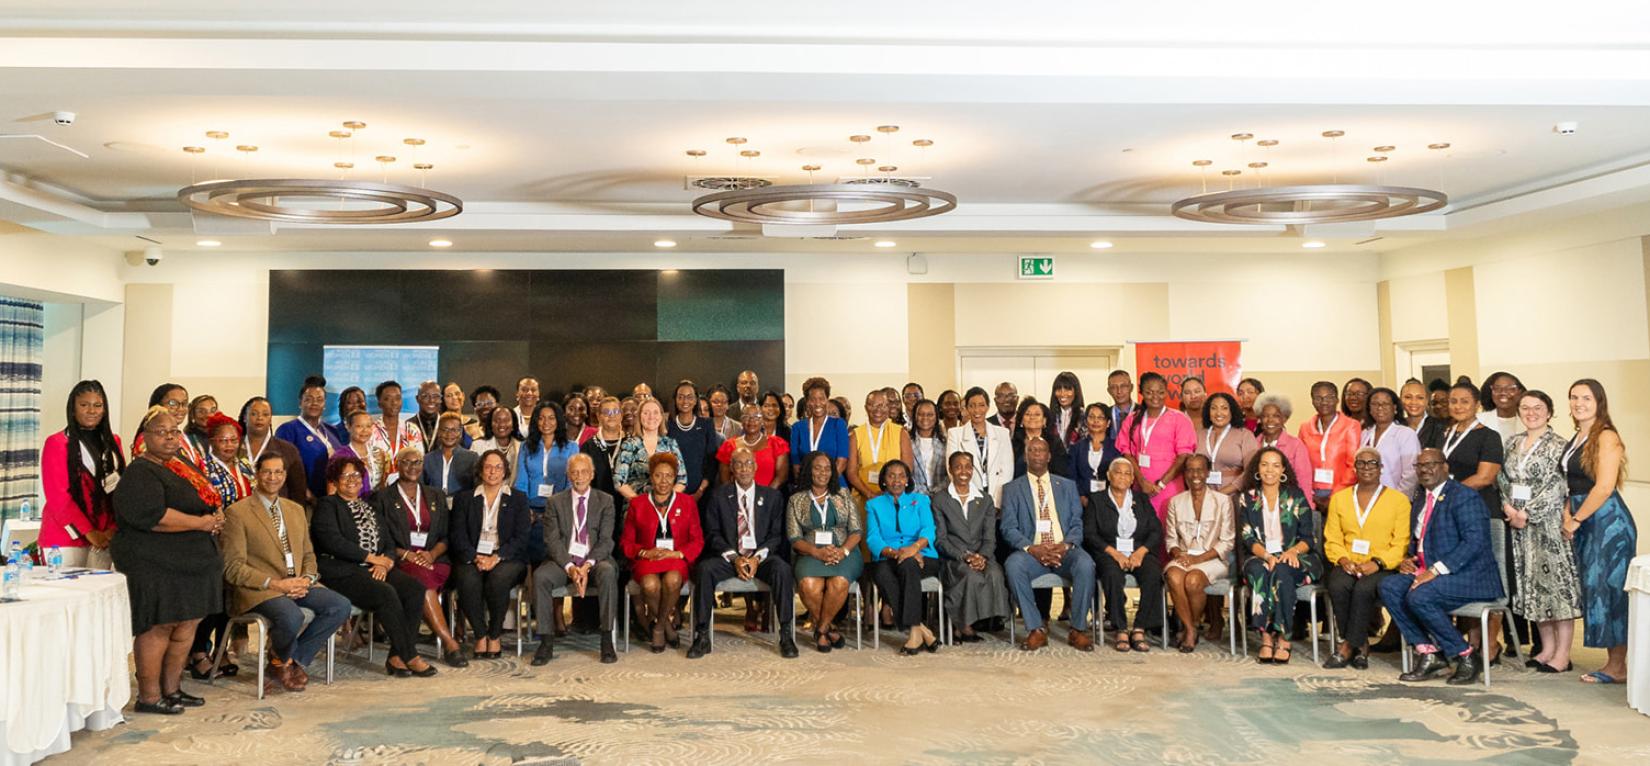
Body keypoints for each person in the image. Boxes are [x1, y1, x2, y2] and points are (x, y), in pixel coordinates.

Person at [113, 407, 225, 714]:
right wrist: (201, 523)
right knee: (159, 626)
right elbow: (155, 517)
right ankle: (149, 696)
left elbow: (207, 499)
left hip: (192, 566)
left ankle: (172, 689)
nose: (169, 437)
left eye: (174, 431)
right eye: (161, 432)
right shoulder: (140, 471)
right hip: (155, 564)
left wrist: (215, 517)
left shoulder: (182, 465)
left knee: (186, 626)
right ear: (144, 438)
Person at [221, 452, 352, 693]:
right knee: (292, 616)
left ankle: (289, 661)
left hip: (297, 584)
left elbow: (309, 555)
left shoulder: (295, 510)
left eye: (278, 472)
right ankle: (282, 661)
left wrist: (306, 579)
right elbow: (233, 567)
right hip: (261, 590)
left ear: (285, 475)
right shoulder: (237, 513)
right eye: (267, 472)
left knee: (340, 606)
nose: (273, 477)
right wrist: (277, 584)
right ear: (257, 475)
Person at [1379, 449, 1503, 685]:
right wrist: (1408, 558)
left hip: (1470, 574)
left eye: (1432, 464)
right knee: (1390, 586)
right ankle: (1429, 652)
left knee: (1420, 596)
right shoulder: (1420, 498)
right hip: (1429, 571)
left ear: (1445, 467)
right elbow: (1420, 538)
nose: (1425, 469)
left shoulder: (1464, 496)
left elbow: (1474, 542)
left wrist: (1434, 571)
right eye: (1420, 466)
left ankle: (1465, 655)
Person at [312, 454, 437, 678]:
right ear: (335, 480)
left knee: (414, 589)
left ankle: (397, 656)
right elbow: (332, 541)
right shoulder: (327, 505)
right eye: (345, 476)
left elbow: (388, 541)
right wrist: (372, 558)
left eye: (357, 475)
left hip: (375, 568)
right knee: (385, 593)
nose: (352, 480)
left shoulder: (370, 506)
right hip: (342, 571)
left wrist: (386, 563)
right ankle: (410, 655)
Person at [1497, 390, 1581, 674]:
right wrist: (1508, 508)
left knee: (1556, 588)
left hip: (1548, 525)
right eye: (1525, 407)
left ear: (1549, 411)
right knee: (1532, 587)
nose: (1531, 412)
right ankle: (1546, 649)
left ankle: (1563, 654)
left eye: (1538, 407)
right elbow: (1502, 479)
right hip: (1518, 528)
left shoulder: (1559, 445)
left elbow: (1558, 486)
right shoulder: (1512, 442)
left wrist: (1528, 513)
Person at [687, 448, 799, 659]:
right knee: (704, 570)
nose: (744, 468)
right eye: (738, 464)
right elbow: (712, 534)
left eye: (748, 463)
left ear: (756, 467)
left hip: (761, 557)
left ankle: (786, 634)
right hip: (730, 557)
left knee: (782, 569)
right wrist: (735, 557)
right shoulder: (718, 496)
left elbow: (776, 536)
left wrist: (756, 558)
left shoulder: (772, 497)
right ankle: (702, 635)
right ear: (731, 468)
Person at [1563, 379, 1639, 686]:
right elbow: (1572, 482)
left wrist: (1576, 519)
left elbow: (1605, 486)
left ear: (1599, 403)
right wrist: (1567, 513)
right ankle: (1614, 662)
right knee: (1595, 590)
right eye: (1573, 397)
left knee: (1609, 592)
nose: (1579, 403)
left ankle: (1617, 666)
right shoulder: (1579, 435)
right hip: (1584, 518)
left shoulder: (1606, 436)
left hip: (1608, 523)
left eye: (1586, 398)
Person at [1000, 438, 1096, 651]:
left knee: (1086, 564)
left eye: (1041, 450)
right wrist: (1032, 549)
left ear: (1049, 456)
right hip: (1032, 552)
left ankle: (1078, 629)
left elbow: (1076, 523)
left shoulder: (1067, 486)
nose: (1036, 454)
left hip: (1064, 550)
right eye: (1032, 450)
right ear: (1026, 456)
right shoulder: (1012, 489)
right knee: (1013, 565)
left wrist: (1066, 545)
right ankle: (1036, 629)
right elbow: (1008, 528)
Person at [375, 446, 465, 667]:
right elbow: (380, 539)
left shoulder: (436, 495)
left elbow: (446, 535)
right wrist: (406, 553)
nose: (412, 467)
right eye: (406, 462)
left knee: (426, 577)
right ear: (398, 464)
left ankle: (410, 647)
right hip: (401, 562)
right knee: (420, 581)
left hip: (435, 560)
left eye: (417, 462)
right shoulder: (382, 498)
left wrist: (432, 554)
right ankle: (449, 642)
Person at [1321, 448, 1411, 669]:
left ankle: (1347, 646)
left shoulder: (1398, 501)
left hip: (1383, 565)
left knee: (1363, 589)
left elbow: (1401, 543)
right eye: (1361, 463)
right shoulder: (1340, 499)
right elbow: (1332, 538)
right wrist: (1343, 560)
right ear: (1355, 468)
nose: (1367, 467)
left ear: (1381, 468)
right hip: (1348, 561)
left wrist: (1378, 563)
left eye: (1372, 463)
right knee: (1338, 584)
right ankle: (1361, 644)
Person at [533, 454, 621, 665]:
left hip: (596, 561)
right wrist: (571, 568)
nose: (579, 476)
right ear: (568, 475)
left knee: (608, 572)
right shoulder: (555, 502)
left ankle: (607, 639)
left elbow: (606, 540)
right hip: (564, 560)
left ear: (592, 475)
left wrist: (587, 565)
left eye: (584, 472)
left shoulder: (605, 501)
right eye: (574, 472)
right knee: (540, 576)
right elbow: (552, 541)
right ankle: (546, 641)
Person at [1238, 447, 1323, 665]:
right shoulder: (1247, 498)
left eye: (1276, 465)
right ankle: (1266, 637)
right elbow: (1247, 537)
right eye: (1265, 464)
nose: (1270, 470)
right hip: (1260, 555)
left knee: (1283, 572)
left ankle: (1284, 637)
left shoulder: (1295, 495)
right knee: (1259, 572)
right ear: (1257, 468)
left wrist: (1292, 552)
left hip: (1296, 554)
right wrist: (1267, 556)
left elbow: (1308, 538)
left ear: (1283, 470)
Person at [447, 449, 531, 659]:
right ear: (481, 471)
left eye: (498, 467)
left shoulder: (518, 499)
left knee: (498, 579)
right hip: (473, 555)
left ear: (505, 472)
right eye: (488, 466)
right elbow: (457, 535)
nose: (493, 471)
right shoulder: (465, 499)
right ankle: (480, 634)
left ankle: (494, 634)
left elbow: (522, 537)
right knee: (466, 579)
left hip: (507, 558)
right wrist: (476, 557)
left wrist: (497, 557)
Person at [621, 453, 704, 653]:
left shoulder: (687, 502)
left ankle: (658, 627)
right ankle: (667, 624)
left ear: (675, 477)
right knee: (650, 585)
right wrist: (644, 552)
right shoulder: (637, 504)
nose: (663, 481)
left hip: (675, 558)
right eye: (658, 475)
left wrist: (678, 554)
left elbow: (698, 540)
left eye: (668, 476)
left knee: (673, 580)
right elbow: (626, 542)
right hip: (647, 558)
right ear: (651, 476)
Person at [40, 380, 124, 569]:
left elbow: (119, 489)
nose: (91, 411)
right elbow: (58, 497)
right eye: (84, 405)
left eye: (97, 405)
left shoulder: (113, 442)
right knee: (65, 595)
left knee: (98, 595)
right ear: (73, 408)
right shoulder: (57, 443)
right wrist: (89, 532)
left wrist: (112, 528)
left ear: (104, 409)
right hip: (66, 538)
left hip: (105, 536)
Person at [788, 450, 864, 653]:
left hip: (844, 552)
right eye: (817, 468)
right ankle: (829, 628)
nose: (823, 473)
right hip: (810, 552)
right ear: (808, 471)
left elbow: (856, 531)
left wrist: (843, 552)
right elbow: (794, 538)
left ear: (833, 472)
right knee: (809, 585)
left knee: (838, 582)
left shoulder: (843, 495)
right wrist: (816, 552)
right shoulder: (796, 499)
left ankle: (820, 629)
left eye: (827, 468)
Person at [1086, 456, 1164, 653]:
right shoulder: (1096, 500)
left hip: (1138, 550)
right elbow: (1090, 534)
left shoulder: (1142, 500)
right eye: (1118, 472)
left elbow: (1156, 531)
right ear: (1109, 476)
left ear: (1132, 480)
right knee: (1112, 575)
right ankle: (1120, 627)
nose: (1122, 477)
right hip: (1109, 550)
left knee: (1153, 573)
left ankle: (1139, 628)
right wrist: (1115, 553)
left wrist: (1141, 552)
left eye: (1127, 473)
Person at [864, 461, 941, 655]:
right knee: (881, 572)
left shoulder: (921, 501)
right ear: (883, 480)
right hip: (888, 557)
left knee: (908, 564)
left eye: (901, 476)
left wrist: (914, 548)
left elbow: (929, 530)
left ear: (908, 480)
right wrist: (895, 552)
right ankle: (919, 629)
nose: (896, 480)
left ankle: (915, 632)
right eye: (891, 475)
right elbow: (873, 538)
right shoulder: (873, 505)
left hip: (923, 556)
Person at [932, 451, 1009, 642]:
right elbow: (941, 539)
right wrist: (965, 557)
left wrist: (981, 557)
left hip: (982, 556)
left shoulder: (985, 500)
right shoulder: (940, 499)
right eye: (958, 467)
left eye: (968, 467)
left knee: (995, 573)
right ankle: (962, 625)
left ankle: (984, 620)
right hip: (953, 558)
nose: (963, 471)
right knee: (969, 576)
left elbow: (990, 538)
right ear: (950, 470)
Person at [1162, 454, 1234, 652]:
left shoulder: (1223, 501)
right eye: (1190, 470)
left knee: (1193, 581)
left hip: (1213, 558)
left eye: (1200, 469)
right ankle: (1191, 629)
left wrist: (1198, 559)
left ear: (1207, 473)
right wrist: (1178, 554)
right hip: (1184, 557)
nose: (1195, 474)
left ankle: (1189, 627)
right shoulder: (1175, 502)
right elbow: (1170, 539)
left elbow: (1227, 542)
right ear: (1184, 474)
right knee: (1174, 577)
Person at [1116, 372, 1196, 524]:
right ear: (1141, 393)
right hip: (1140, 486)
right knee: (1142, 527)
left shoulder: (1179, 419)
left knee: (1169, 527)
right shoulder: (1132, 419)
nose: (1155, 396)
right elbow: (1126, 452)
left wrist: (1161, 484)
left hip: (1170, 486)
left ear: (1166, 392)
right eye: (1149, 392)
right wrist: (1142, 481)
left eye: (1160, 392)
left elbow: (1184, 456)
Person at [516, 401, 578, 565]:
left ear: (558, 421)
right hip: (531, 508)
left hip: (559, 508)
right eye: (541, 418)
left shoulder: (572, 447)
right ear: (536, 421)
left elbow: (572, 483)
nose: (546, 423)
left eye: (551, 418)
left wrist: (558, 510)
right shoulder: (525, 446)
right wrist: (525, 509)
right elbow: (521, 482)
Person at [276, 376, 343, 502]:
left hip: (334, 501)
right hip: (303, 501)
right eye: (309, 399)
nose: (315, 403)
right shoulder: (288, 430)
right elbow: (283, 468)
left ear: (324, 405)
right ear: (300, 403)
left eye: (319, 399)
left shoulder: (332, 430)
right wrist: (307, 495)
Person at [945, 387, 1014, 505]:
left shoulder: (1002, 433)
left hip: (996, 498)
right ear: (966, 408)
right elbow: (952, 469)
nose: (977, 410)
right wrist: (971, 496)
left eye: (981, 405)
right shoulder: (955, 434)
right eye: (972, 405)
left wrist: (995, 501)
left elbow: (1007, 471)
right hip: (967, 498)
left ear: (988, 407)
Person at [1299, 380, 1360, 508]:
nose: (1324, 402)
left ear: (1337, 400)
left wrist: (1334, 496)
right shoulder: (1305, 428)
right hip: (1311, 493)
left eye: (1329, 397)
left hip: (1341, 491)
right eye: (1318, 398)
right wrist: (1310, 494)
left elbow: (1353, 465)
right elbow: (1301, 464)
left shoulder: (1351, 426)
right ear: (1312, 401)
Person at [614, 397, 688, 500]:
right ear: (639, 417)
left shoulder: (670, 444)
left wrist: (665, 501)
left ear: (661, 416)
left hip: (665, 507)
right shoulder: (629, 445)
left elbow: (682, 480)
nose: (651, 416)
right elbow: (619, 482)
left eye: (655, 412)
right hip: (636, 506)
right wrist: (642, 503)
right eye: (646, 413)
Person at [237, 397, 307, 504]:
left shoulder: (288, 450)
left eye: (265, 414)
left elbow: (298, 490)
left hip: (276, 511)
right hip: (238, 509)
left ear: (270, 419)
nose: (260, 418)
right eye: (254, 414)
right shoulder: (233, 447)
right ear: (245, 417)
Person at [848, 390, 914, 501]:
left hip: (894, 497)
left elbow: (908, 469)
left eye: (882, 405)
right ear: (865, 407)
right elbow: (851, 472)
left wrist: (889, 494)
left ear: (888, 407)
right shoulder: (855, 435)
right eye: (872, 405)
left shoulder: (901, 433)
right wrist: (869, 494)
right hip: (863, 497)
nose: (877, 409)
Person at [789, 378, 851, 488]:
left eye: (822, 398)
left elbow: (842, 462)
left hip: (835, 486)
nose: (818, 403)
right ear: (807, 401)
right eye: (813, 399)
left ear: (827, 399)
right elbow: (796, 465)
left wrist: (823, 487)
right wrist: (812, 489)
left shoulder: (838, 425)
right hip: (806, 487)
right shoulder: (797, 428)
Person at [666, 380, 722, 502]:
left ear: (696, 400)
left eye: (689, 397)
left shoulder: (706, 425)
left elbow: (712, 461)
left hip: (702, 493)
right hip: (672, 494)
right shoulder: (667, 425)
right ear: (675, 400)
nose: (685, 401)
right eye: (680, 397)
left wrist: (700, 490)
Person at [1360, 387, 1420, 497]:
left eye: (1385, 404)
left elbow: (1411, 473)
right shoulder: (1365, 433)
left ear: (1395, 407)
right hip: (1366, 497)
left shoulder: (1406, 434)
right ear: (1369, 408)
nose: (1380, 407)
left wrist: (1398, 499)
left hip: (1395, 498)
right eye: (1375, 404)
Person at [1253, 393, 1315, 500]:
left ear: (1284, 419)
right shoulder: (1253, 444)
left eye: (1276, 416)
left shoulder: (1296, 445)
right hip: (1258, 503)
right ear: (1259, 419)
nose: (1270, 420)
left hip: (1287, 505)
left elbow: (1304, 482)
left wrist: (1306, 510)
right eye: (1265, 416)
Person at [1196, 392, 1258, 497]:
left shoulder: (1244, 435)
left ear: (1231, 412)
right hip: (1203, 496)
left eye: (1224, 408)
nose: (1218, 413)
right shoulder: (1199, 434)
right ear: (1208, 412)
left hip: (1234, 495)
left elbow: (1251, 471)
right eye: (1214, 408)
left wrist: (1221, 493)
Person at [717, 406, 790, 489]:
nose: (751, 421)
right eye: (746, 417)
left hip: (769, 497)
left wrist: (767, 496)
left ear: (762, 420)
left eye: (756, 417)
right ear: (741, 420)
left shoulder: (777, 444)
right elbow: (724, 479)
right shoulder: (729, 446)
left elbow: (781, 477)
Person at [1069, 404, 1121, 505]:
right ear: (1086, 421)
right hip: (1083, 501)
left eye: (1100, 417)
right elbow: (1072, 476)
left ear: (1108, 423)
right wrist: (1081, 496)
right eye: (1091, 417)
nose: (1095, 421)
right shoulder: (1076, 448)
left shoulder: (1116, 447)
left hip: (1110, 502)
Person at [424, 413, 479, 496]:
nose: (449, 434)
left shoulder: (472, 458)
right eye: (445, 430)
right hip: (434, 505)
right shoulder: (427, 459)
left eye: (454, 430)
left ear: (460, 433)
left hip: (462, 506)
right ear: (438, 432)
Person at [1011, 400, 1070, 479]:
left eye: (1037, 414)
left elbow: (1062, 470)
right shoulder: (1013, 443)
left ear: (1044, 420)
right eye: (1028, 414)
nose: (1032, 417)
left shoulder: (1054, 442)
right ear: (1021, 420)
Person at [337, 410, 392, 493]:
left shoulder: (380, 453)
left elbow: (383, 485)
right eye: (359, 426)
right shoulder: (340, 457)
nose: (364, 430)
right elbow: (332, 491)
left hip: (377, 503)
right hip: (350, 504)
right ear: (348, 427)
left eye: (368, 426)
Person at [908, 399, 948, 495]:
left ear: (936, 417)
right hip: (914, 496)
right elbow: (905, 473)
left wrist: (937, 493)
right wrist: (922, 494)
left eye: (930, 414)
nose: (925, 418)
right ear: (915, 417)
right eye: (920, 414)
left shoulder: (946, 442)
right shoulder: (906, 441)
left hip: (941, 496)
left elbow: (949, 474)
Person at [471, 405, 521, 479]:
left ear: (513, 424)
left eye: (506, 420)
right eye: (497, 420)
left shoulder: (522, 447)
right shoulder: (477, 446)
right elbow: (473, 476)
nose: (501, 424)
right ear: (490, 424)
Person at [1400, 378, 1446, 450]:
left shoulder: (1440, 427)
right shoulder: (1396, 426)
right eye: (1408, 397)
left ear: (1427, 401)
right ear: (1400, 400)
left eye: (1420, 398)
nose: (1413, 402)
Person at [1479, 371, 1526, 442]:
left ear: (1520, 392)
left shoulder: (1529, 420)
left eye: (1510, 389)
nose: (1503, 393)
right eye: (1497, 389)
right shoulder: (1478, 421)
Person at [401, 381, 443, 454]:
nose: (431, 400)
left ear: (441, 399)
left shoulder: (448, 425)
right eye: (425, 396)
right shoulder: (407, 426)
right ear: (417, 399)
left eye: (435, 396)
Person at [371, 381, 409, 461]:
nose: (394, 402)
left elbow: (419, 459)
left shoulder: (412, 430)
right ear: (379, 404)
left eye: (398, 398)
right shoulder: (371, 430)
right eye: (387, 399)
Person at [1050, 371, 1086, 446]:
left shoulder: (1084, 416)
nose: (1062, 394)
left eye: (1067, 389)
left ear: (1076, 391)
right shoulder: (1049, 415)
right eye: (1059, 389)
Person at [184, 394, 219, 470]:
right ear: (192, 415)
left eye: (212, 410)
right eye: (201, 411)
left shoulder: (221, 437)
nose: (208, 415)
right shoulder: (187, 440)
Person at [441, 382, 478, 447]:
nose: (454, 397)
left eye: (457, 394)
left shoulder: (474, 423)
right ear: (443, 400)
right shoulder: (438, 423)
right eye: (449, 395)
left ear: (463, 396)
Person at [1105, 370, 1135, 441]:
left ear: (1131, 388)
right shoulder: (1104, 414)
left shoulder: (1143, 412)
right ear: (1109, 391)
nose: (1119, 391)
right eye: (1114, 387)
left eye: (1123, 386)